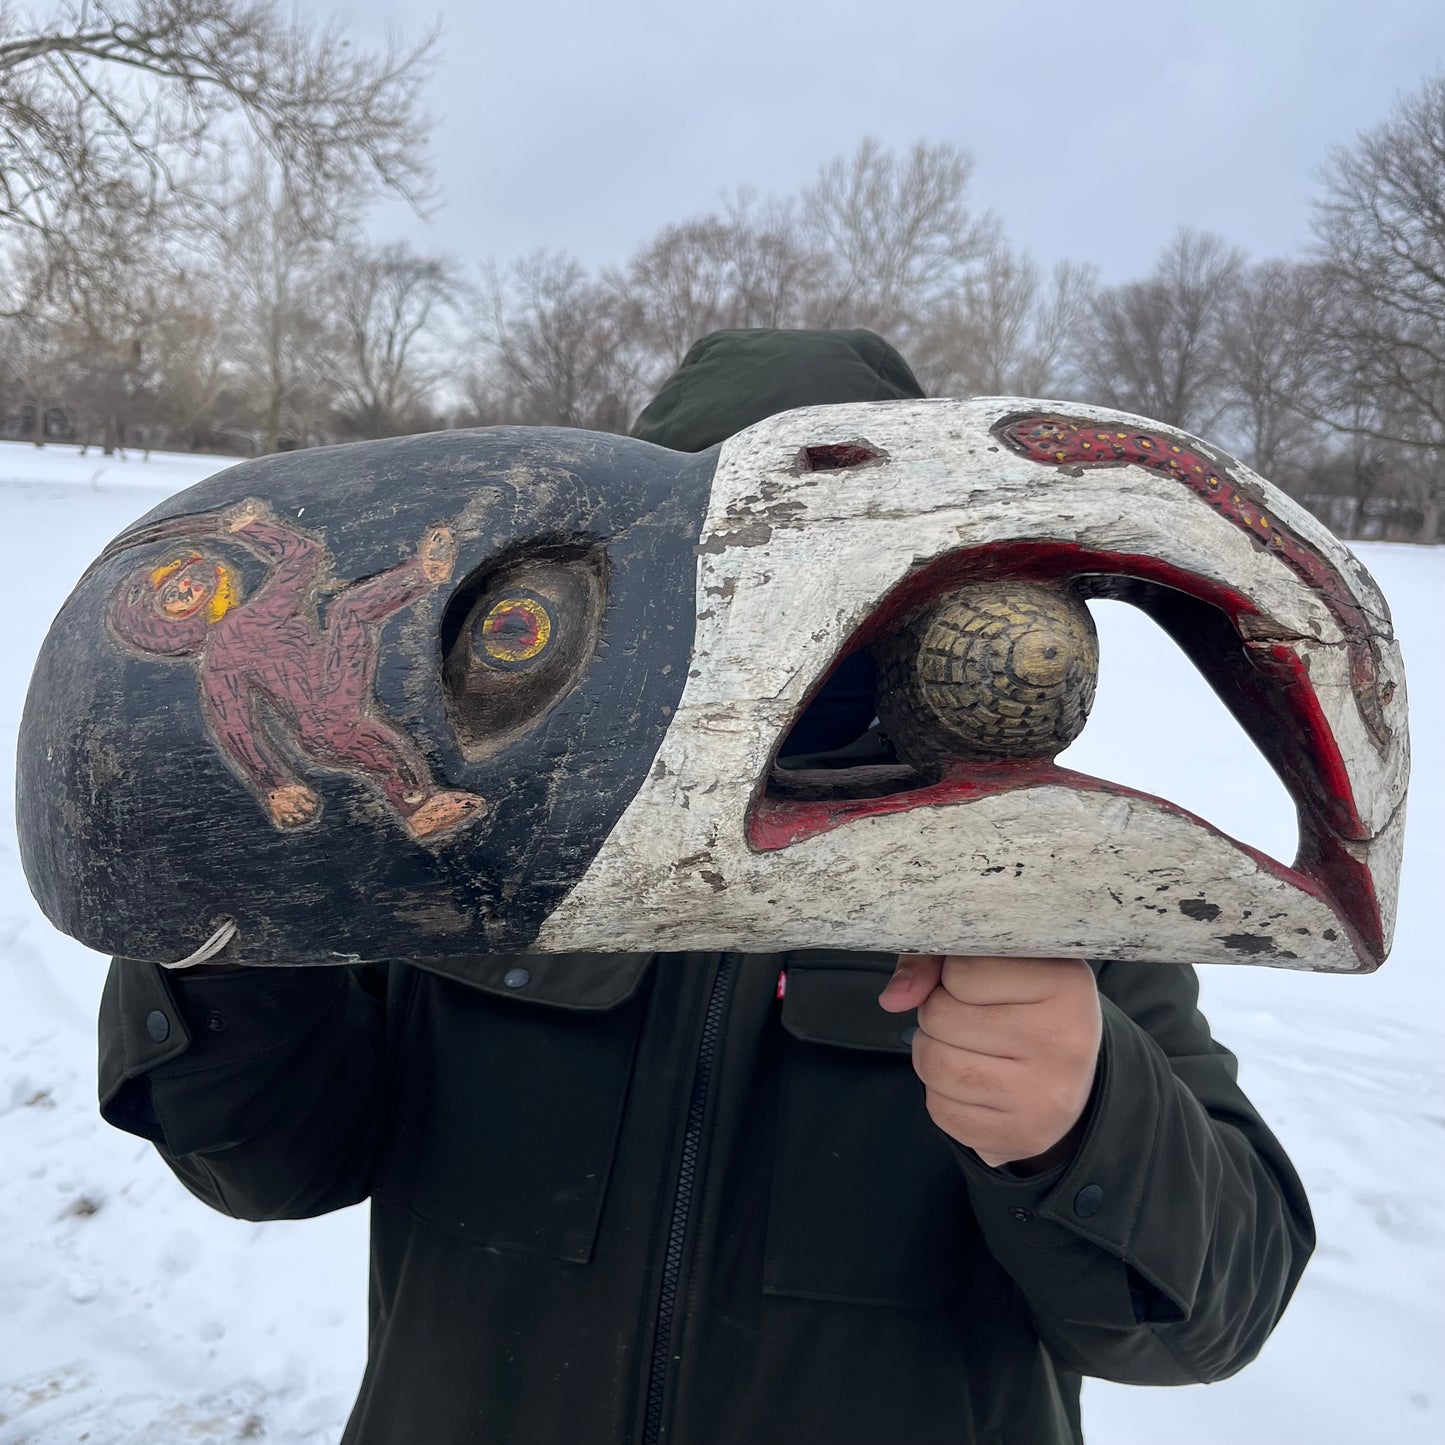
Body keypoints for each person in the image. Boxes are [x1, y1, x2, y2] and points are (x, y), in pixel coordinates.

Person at [98, 328, 1313, 1445]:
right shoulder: (473, 824)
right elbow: (268, 1159)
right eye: (711, 569)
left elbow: (1208, 1313)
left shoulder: (1025, 865)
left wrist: (1085, 1120)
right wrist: (228, 937)